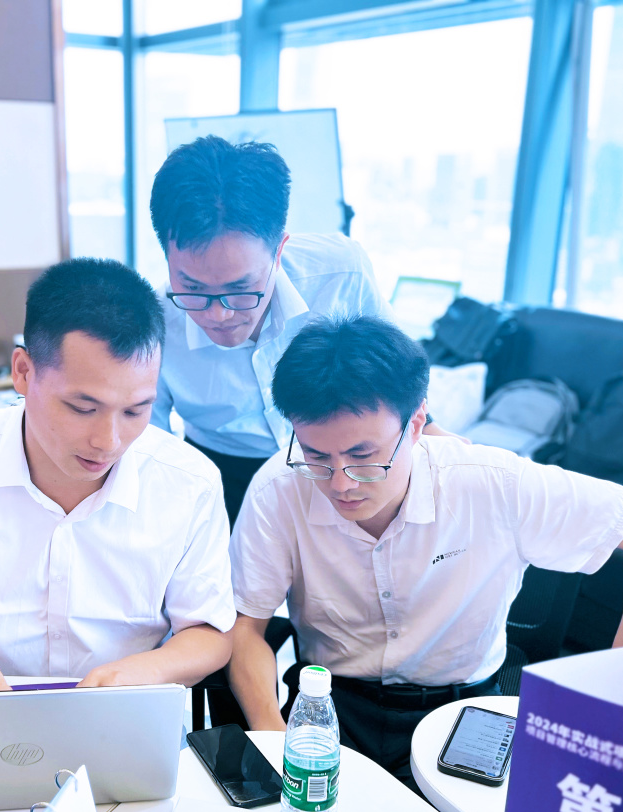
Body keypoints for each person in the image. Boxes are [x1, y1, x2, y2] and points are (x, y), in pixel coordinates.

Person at [226, 316, 623, 787]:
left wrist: (617, 690)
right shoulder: (279, 488)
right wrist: (273, 736)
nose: (340, 483)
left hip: (464, 709)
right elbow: (247, 629)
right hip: (330, 704)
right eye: (316, 457)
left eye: (363, 457)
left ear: (415, 424)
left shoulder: (492, 483)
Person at [0, 258, 236, 693]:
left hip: (126, 710)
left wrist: (147, 672)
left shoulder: (188, 482)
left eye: (134, 411)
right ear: (23, 372)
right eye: (83, 408)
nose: (108, 441)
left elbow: (210, 631)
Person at [150, 135, 458, 525]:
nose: (219, 314)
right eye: (193, 289)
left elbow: (394, 368)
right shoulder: (153, 320)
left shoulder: (341, 271)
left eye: (240, 289)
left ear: (279, 250)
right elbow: (149, 444)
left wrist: (429, 431)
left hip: (336, 463)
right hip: (223, 471)